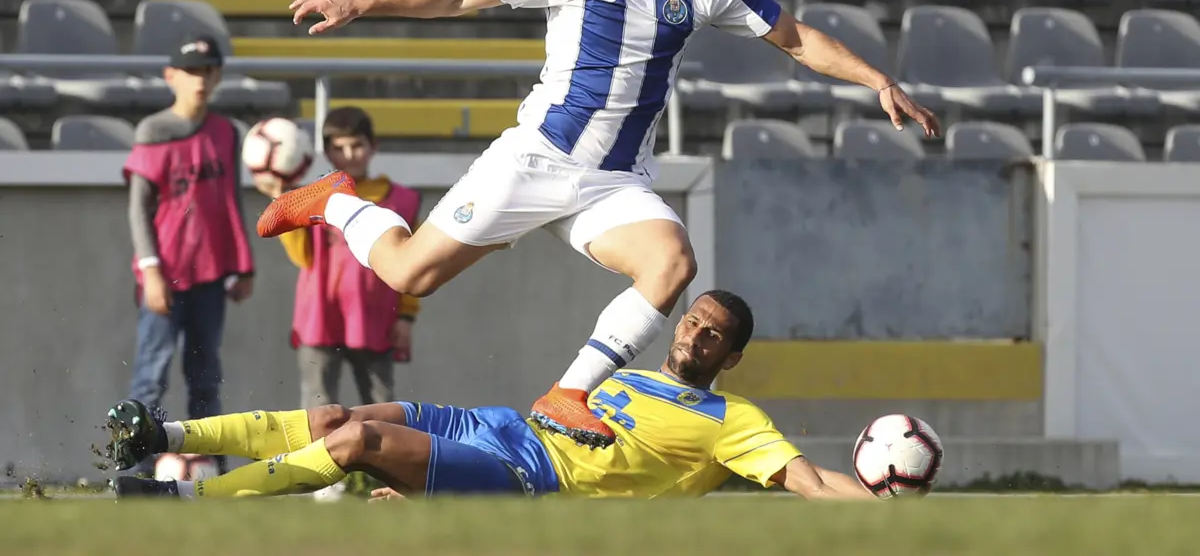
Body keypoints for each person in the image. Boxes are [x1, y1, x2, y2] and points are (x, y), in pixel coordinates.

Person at [256, 0, 942, 450]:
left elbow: (795, 38)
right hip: (534, 162)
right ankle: (336, 199)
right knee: (410, 274)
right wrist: (360, 2)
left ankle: (568, 392)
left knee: (672, 263)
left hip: (614, 183)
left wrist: (877, 80)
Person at [106, 290, 875, 501]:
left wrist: (881, 505)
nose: (694, 335)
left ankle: (183, 501)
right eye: (693, 321)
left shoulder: (734, 419)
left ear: (731, 356)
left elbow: (807, 479)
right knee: (337, 417)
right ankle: (163, 435)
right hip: (499, 425)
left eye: (713, 336)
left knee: (357, 445)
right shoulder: (633, 373)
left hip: (529, 474)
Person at [121, 34, 255, 474]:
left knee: (205, 378)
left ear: (218, 76)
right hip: (165, 274)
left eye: (208, 70)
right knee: (151, 376)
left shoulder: (226, 132)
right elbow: (139, 209)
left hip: (211, 276)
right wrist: (151, 270)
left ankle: (210, 467)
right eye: (191, 71)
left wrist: (242, 264)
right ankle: (134, 471)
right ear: (171, 76)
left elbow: (232, 199)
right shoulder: (154, 130)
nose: (200, 80)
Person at [255, 106, 422, 412]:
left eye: (356, 145)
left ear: (373, 146)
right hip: (320, 316)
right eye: (339, 148)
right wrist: (281, 202)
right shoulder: (313, 197)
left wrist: (406, 317)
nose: (349, 155)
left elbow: (412, 259)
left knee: (382, 408)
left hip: (375, 317)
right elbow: (302, 256)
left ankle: (383, 448)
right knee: (318, 409)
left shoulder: (402, 200)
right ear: (326, 152)